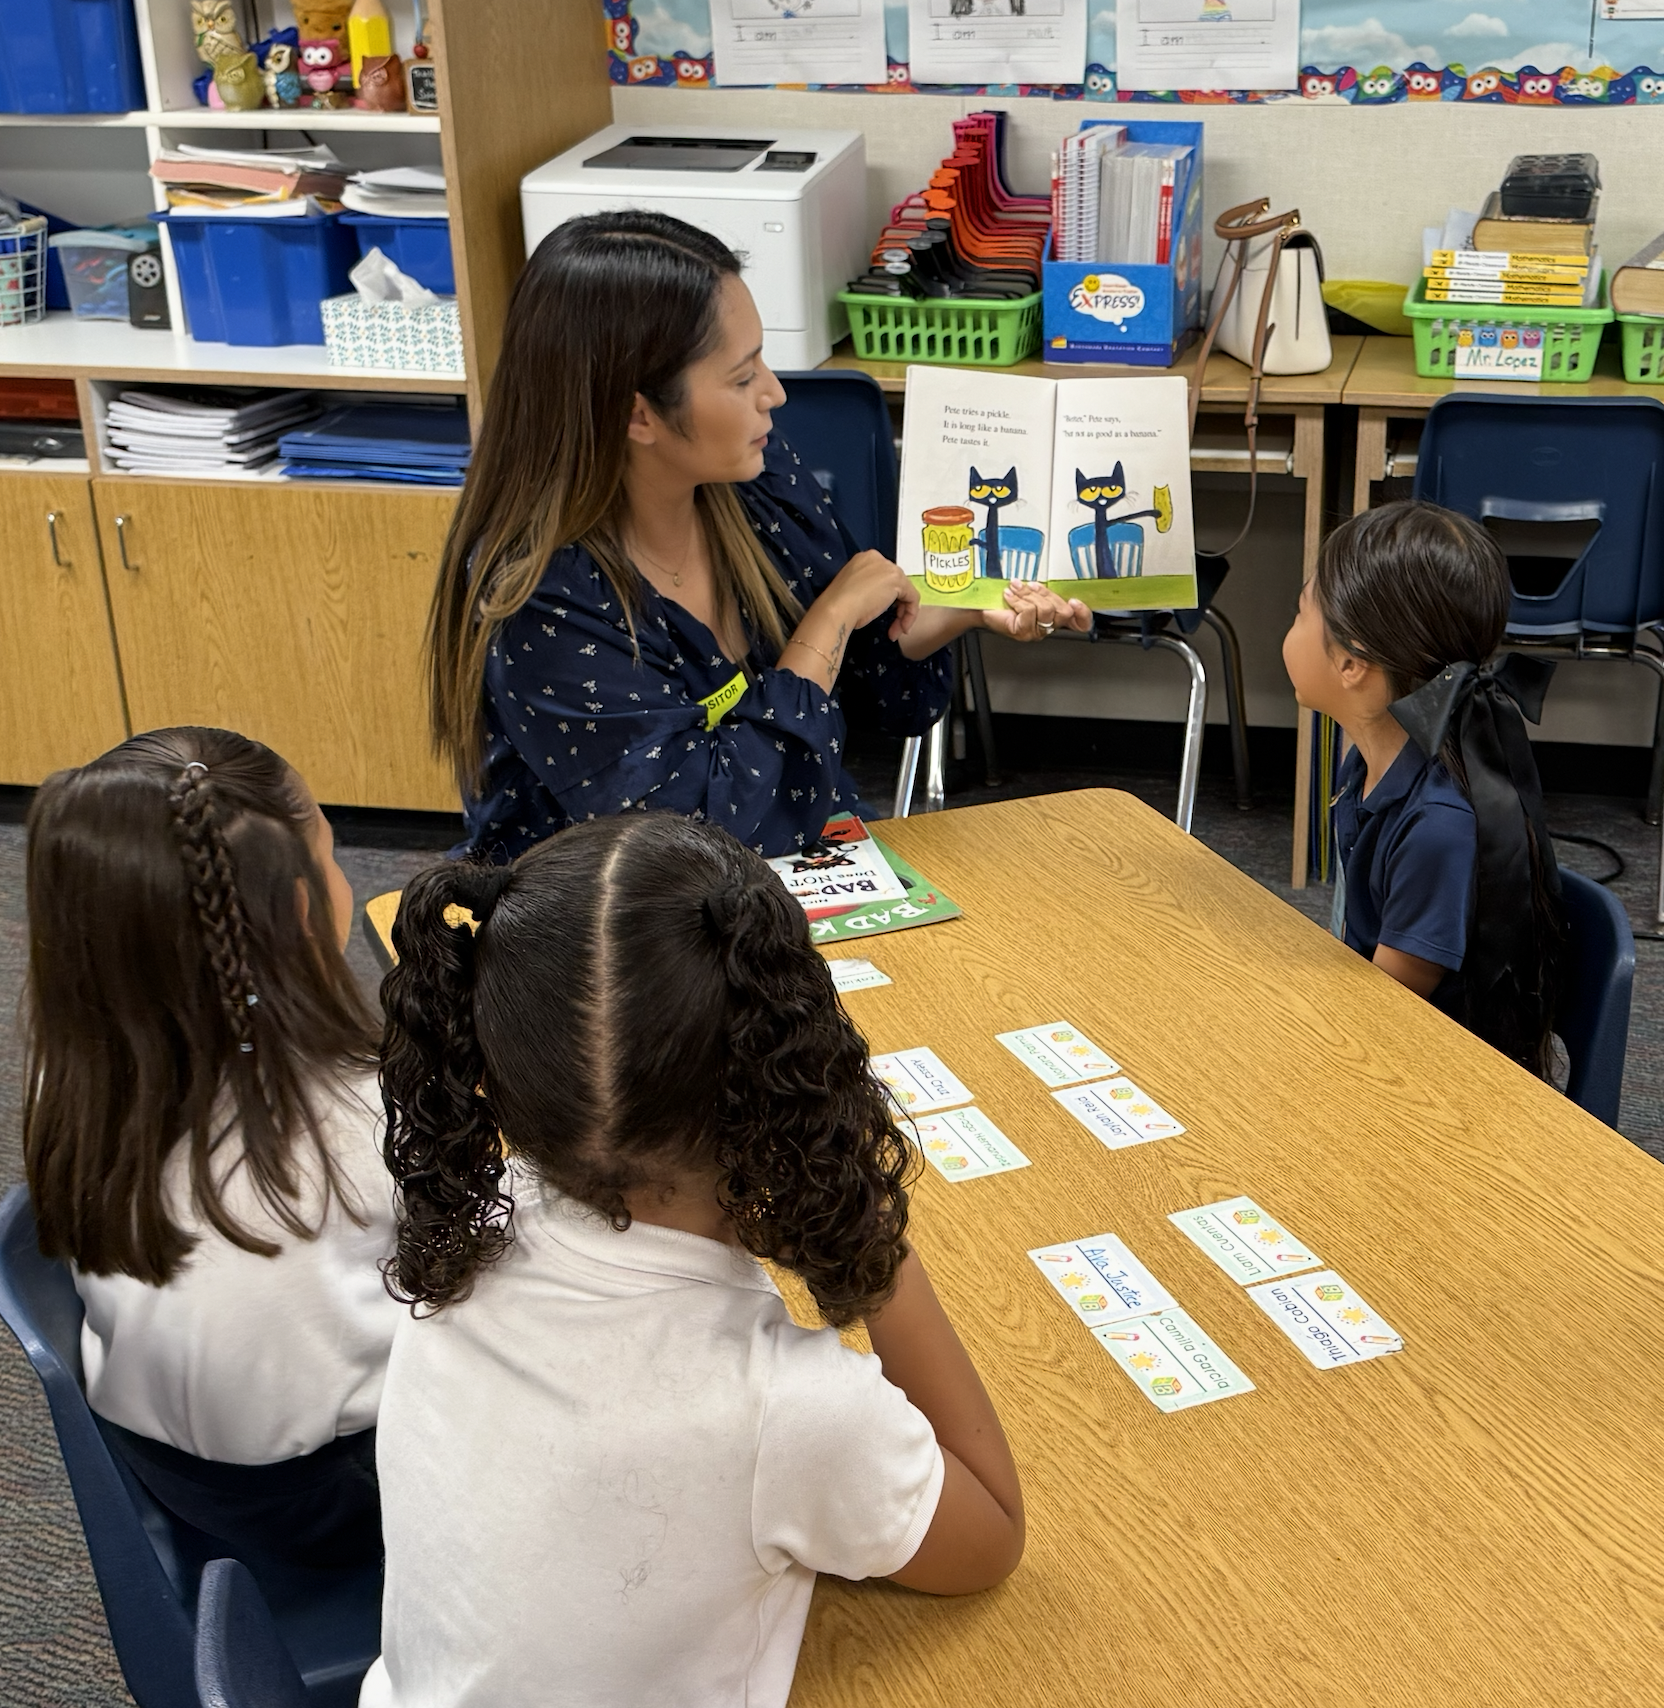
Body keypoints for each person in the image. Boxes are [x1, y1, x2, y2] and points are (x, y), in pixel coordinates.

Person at [362, 813, 1024, 1708]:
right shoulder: (788, 1408)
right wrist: (867, 1237)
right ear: (787, 1076)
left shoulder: (462, 1241)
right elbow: (991, 1538)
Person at [426, 209, 1091, 863]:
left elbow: (865, 678)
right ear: (638, 415)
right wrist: (830, 617)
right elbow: (702, 836)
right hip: (612, 911)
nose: (774, 393)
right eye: (743, 378)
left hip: (786, 871)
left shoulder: (754, 484)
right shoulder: (540, 594)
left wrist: (962, 605)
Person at [22, 727, 398, 1567]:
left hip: (169, 1462)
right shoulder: (357, 1115)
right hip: (330, 1498)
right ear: (300, 908)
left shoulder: (76, 1066)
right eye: (332, 855)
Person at [1282, 500, 1564, 1075]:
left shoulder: (1436, 828)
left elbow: (1386, 1017)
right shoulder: (1368, 764)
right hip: (1372, 1037)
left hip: (1420, 1080)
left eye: (1300, 612)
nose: (1289, 630)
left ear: (1352, 664)